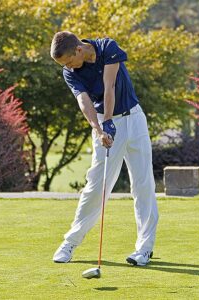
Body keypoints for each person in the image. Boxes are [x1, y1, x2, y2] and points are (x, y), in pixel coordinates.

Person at [50, 31, 158, 266]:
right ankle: (70, 242)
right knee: (97, 185)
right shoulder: (70, 72)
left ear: (79, 50)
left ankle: (144, 249)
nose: (68, 67)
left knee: (143, 184)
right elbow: (84, 101)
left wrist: (108, 119)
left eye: (69, 61)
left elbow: (109, 86)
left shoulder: (107, 47)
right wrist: (100, 129)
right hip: (103, 122)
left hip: (134, 119)